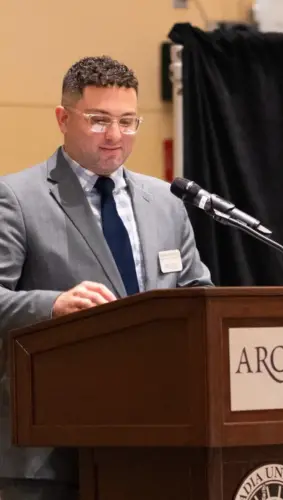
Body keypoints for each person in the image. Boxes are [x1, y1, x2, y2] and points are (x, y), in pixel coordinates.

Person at [0, 56, 212, 499]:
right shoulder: (17, 197)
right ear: (63, 118)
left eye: (128, 121)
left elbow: (198, 297)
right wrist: (51, 306)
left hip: (158, 442)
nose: (116, 136)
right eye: (98, 121)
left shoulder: (167, 201)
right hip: (50, 451)